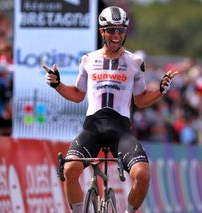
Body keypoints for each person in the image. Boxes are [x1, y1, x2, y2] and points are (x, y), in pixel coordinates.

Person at [43, 6, 177, 213]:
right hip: (92, 129)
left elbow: (140, 100)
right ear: (101, 32)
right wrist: (58, 85)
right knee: (69, 170)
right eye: (112, 30)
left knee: (143, 175)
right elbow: (78, 95)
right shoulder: (88, 59)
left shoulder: (135, 61)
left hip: (120, 131)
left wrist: (160, 90)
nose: (116, 35)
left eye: (121, 31)